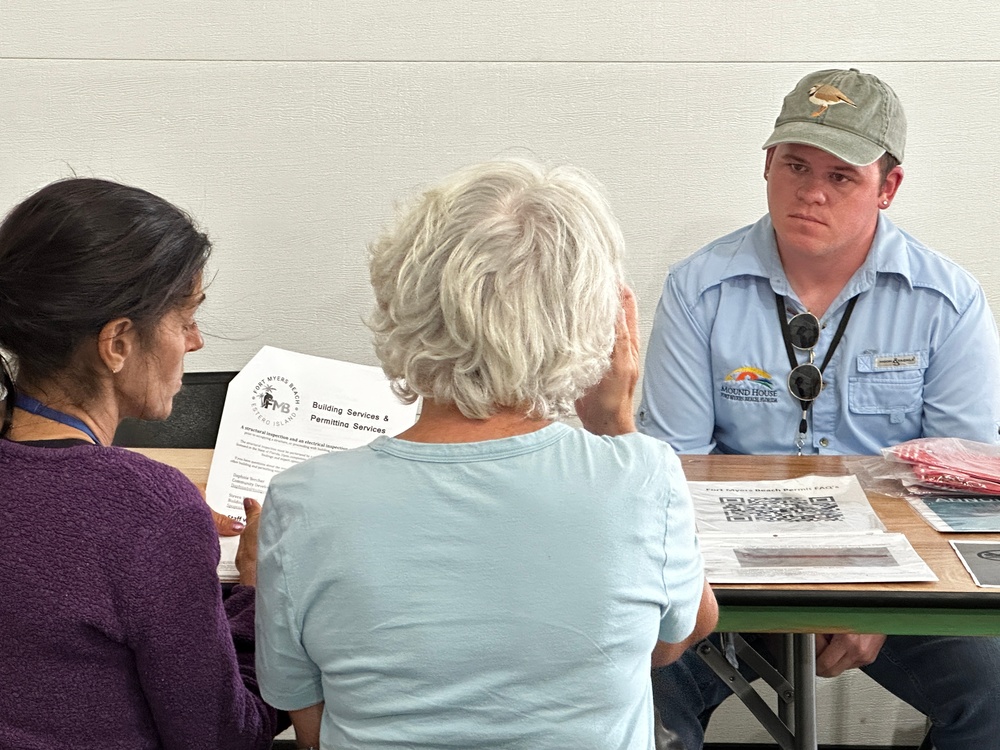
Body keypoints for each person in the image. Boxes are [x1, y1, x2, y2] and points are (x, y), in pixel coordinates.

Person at [255, 158, 719, 749]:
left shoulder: (302, 502)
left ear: (401, 294)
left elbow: (313, 728)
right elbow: (673, 637)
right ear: (596, 320)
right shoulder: (641, 475)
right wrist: (616, 425)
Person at [638, 68, 1000, 749]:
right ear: (767, 165)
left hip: (899, 587)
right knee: (634, 688)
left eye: (842, 177)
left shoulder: (946, 302)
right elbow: (674, 470)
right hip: (727, 590)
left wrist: (885, 607)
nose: (811, 192)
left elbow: (962, 492)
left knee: (996, 692)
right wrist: (725, 594)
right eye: (796, 165)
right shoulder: (700, 290)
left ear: (887, 188)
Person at [0, 177, 281, 749]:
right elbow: (227, 737)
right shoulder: (147, 508)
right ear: (118, 343)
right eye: (185, 319)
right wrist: (256, 591)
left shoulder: (141, 511)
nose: (196, 342)